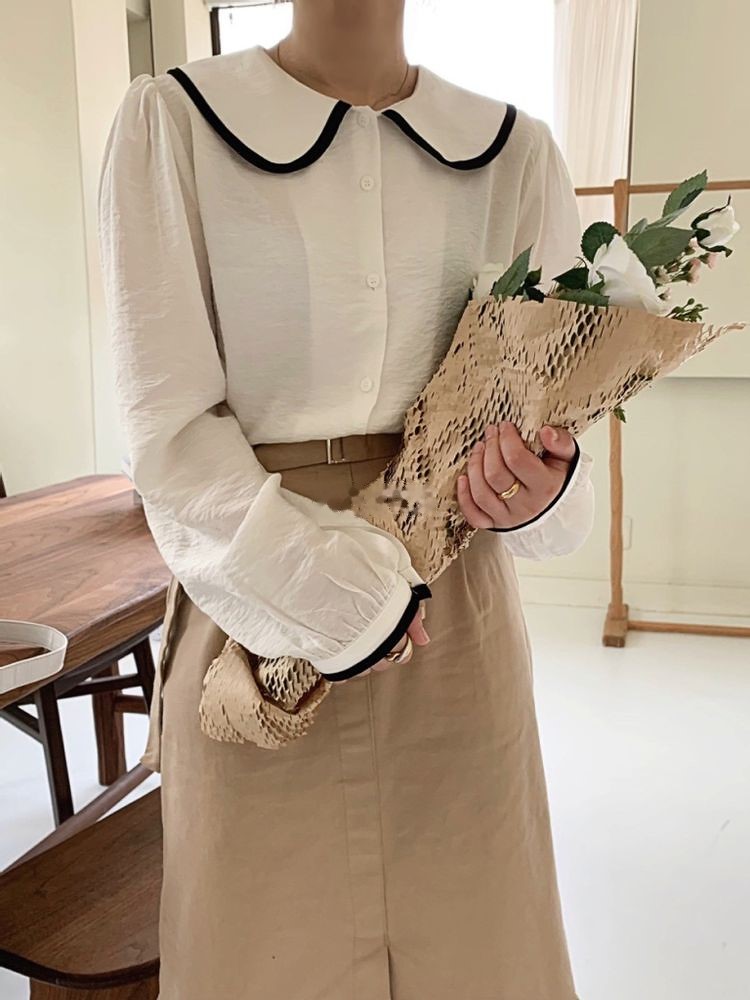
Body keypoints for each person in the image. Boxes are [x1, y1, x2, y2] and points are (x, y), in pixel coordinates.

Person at [97, 1, 594, 997]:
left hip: (453, 611)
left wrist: (541, 481)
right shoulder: (174, 126)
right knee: (264, 955)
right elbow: (169, 431)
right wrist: (332, 595)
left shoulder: (514, 153)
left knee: (481, 953)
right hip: (255, 607)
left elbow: (557, 394)